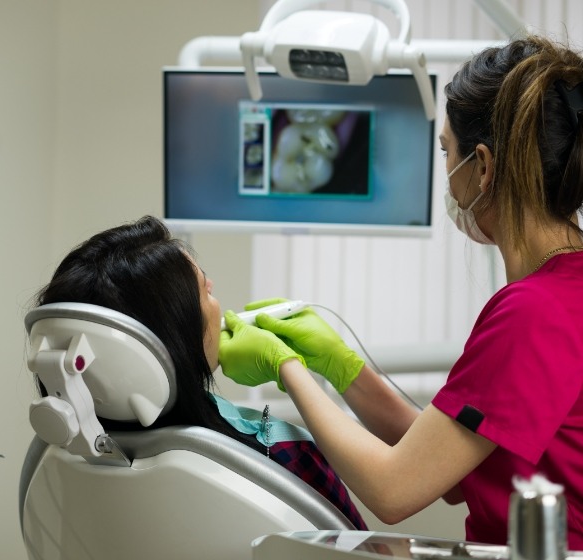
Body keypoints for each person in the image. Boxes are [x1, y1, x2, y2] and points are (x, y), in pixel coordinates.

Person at [219, 35, 583, 548]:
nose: (447, 175)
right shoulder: (564, 291)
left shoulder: (532, 313)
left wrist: (287, 368)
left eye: (446, 152)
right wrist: (342, 367)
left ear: (481, 166)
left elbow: (393, 489)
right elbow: (450, 472)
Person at [32, 214, 368, 530]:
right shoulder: (282, 458)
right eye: (206, 290)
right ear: (181, 335)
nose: (214, 292)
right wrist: (287, 364)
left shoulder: (59, 462)